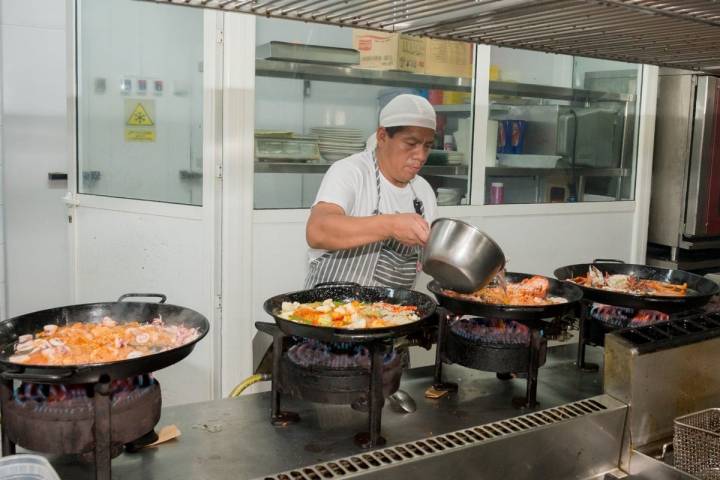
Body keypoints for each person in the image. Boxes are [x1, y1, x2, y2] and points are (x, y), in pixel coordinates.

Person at [305, 94, 439, 289]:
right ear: (382, 136)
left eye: (427, 146)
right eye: (411, 144)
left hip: (394, 315)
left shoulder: (422, 190)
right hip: (331, 311)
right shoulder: (351, 172)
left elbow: (433, 259)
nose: (421, 156)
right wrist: (391, 226)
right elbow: (317, 230)